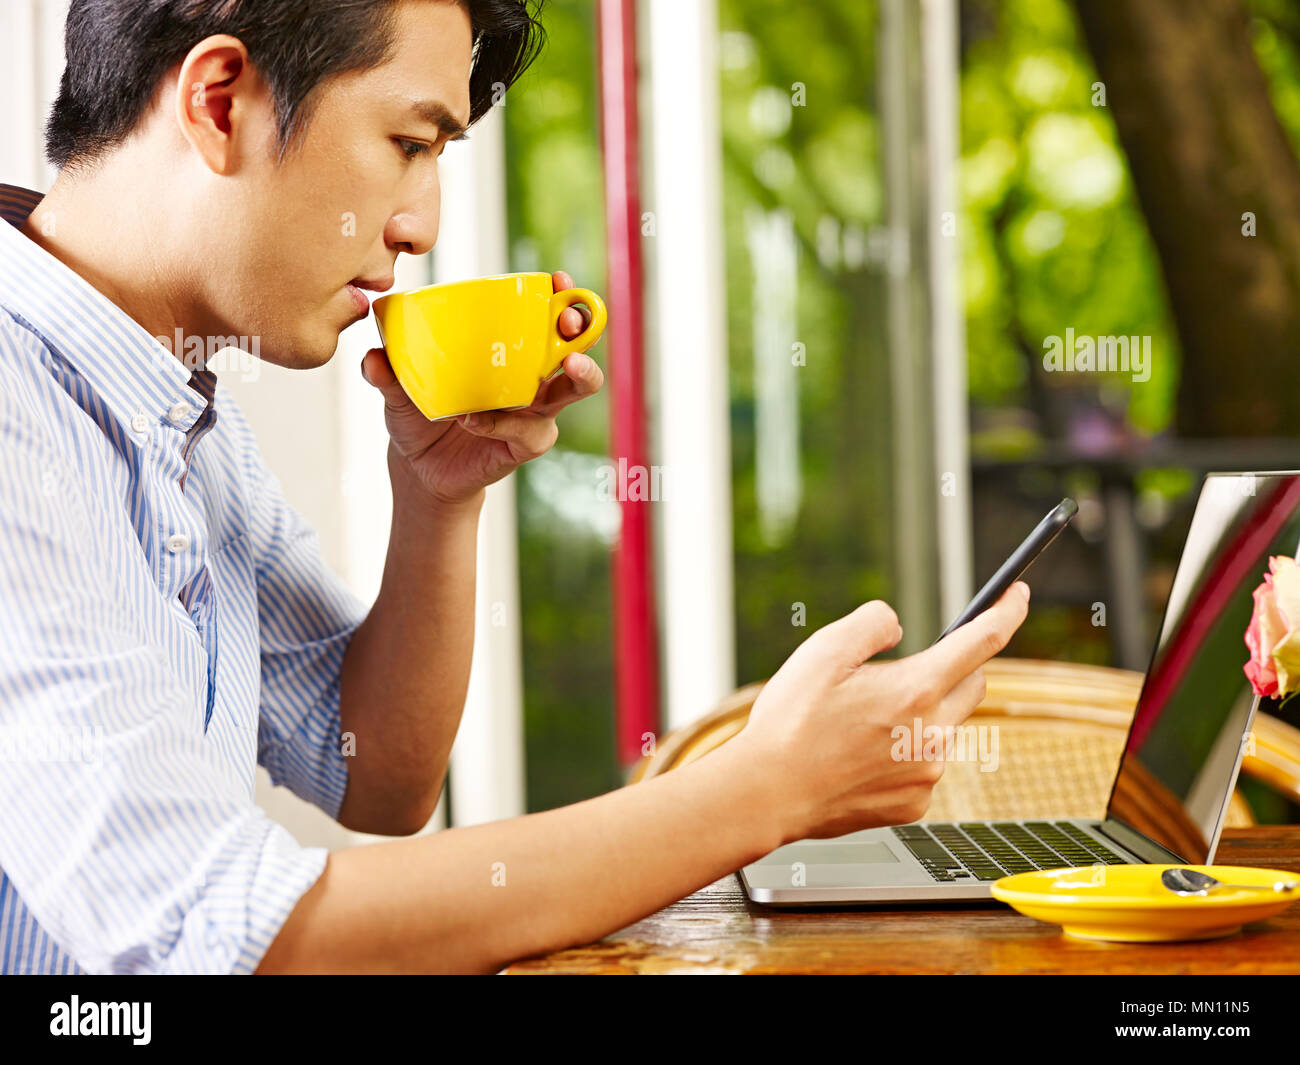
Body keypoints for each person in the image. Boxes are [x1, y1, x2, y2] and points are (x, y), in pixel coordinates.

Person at [0, 0, 1028, 975]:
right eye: (410, 144)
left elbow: (375, 774)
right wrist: (767, 791)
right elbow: (229, 940)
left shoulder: (174, 405)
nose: (421, 225)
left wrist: (439, 496)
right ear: (221, 101)